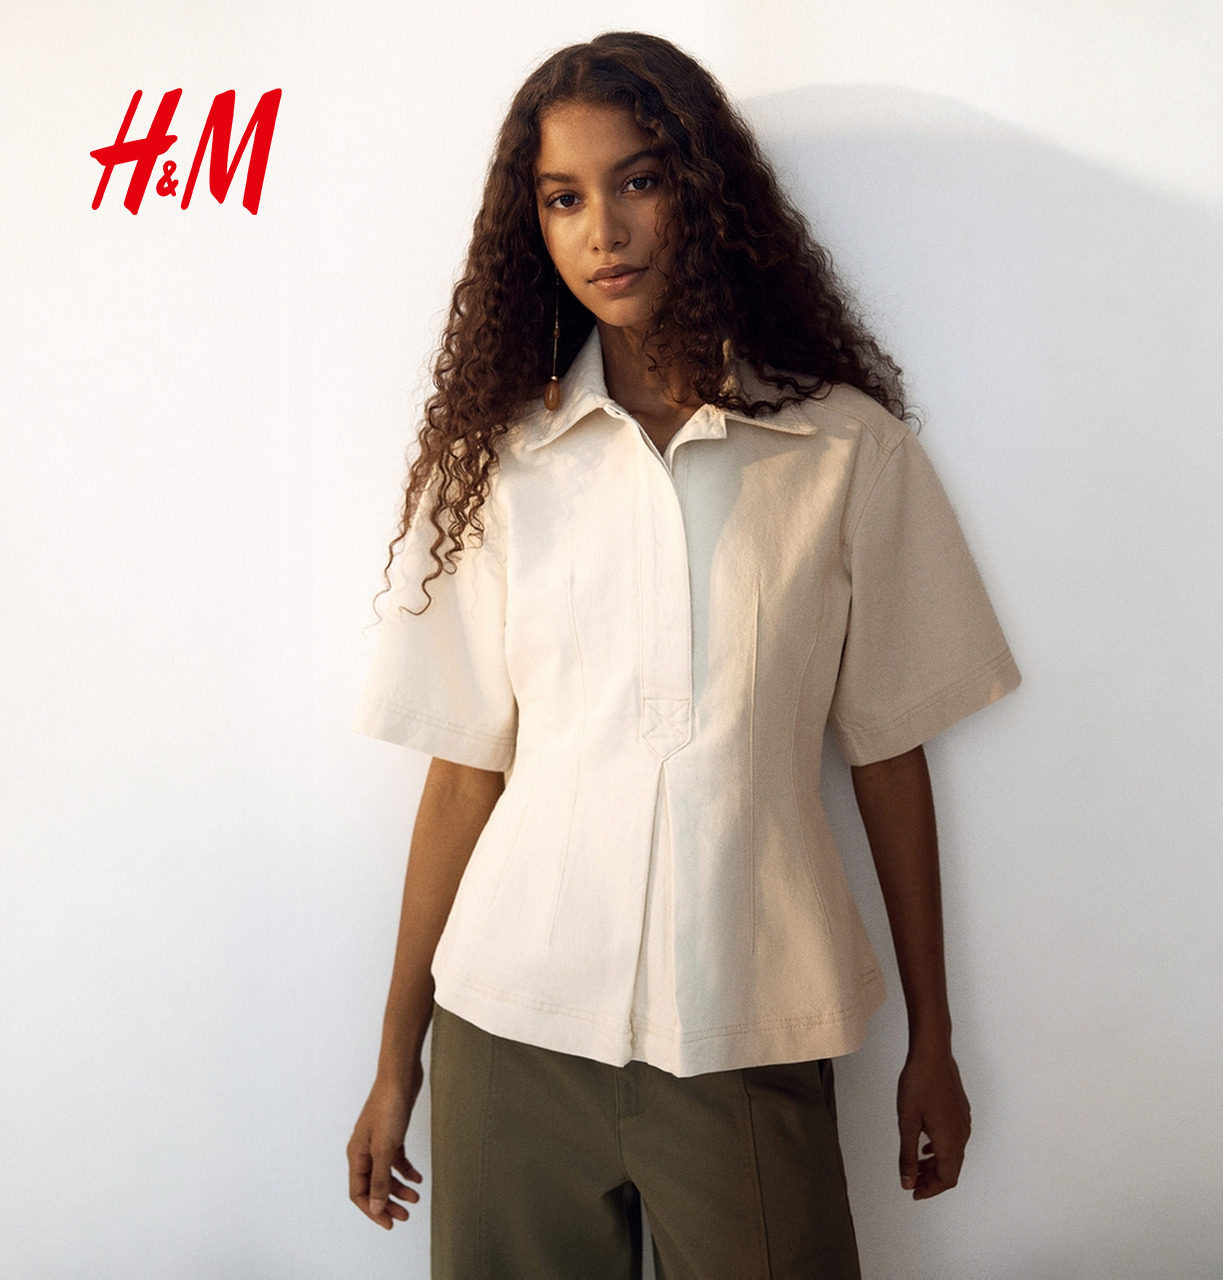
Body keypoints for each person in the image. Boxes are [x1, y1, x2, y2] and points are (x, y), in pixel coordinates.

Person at [346, 30, 1020, 1278]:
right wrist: (398, 1056)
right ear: (532, 227)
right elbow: (462, 775)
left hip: (743, 1022)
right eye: (562, 197)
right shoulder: (499, 465)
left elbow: (888, 754)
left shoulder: (840, 451)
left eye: (639, 180)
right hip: (511, 1020)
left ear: (705, 193)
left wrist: (933, 1039)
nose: (603, 230)